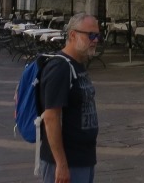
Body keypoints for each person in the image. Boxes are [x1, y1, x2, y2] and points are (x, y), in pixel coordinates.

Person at [39, 12, 100, 183]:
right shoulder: (60, 68)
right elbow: (51, 117)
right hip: (67, 162)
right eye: (91, 35)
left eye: (97, 35)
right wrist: (61, 163)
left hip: (83, 159)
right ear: (73, 35)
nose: (95, 40)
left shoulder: (78, 65)